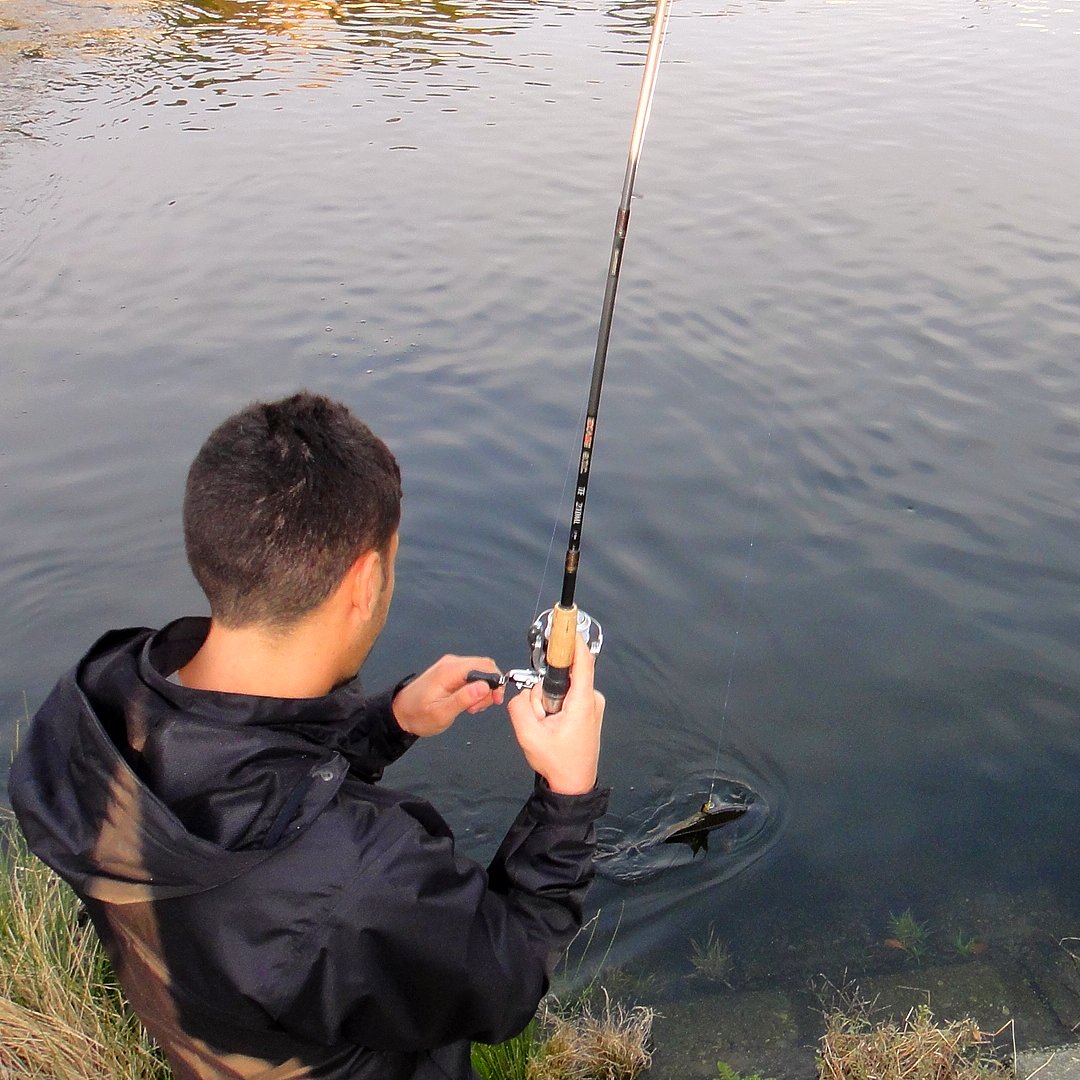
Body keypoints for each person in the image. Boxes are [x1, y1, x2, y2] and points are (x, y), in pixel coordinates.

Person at [9, 391, 608, 1080]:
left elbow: (247, 791)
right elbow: (505, 982)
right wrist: (566, 799)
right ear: (365, 580)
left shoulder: (89, 713)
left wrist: (387, 724)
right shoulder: (360, 878)